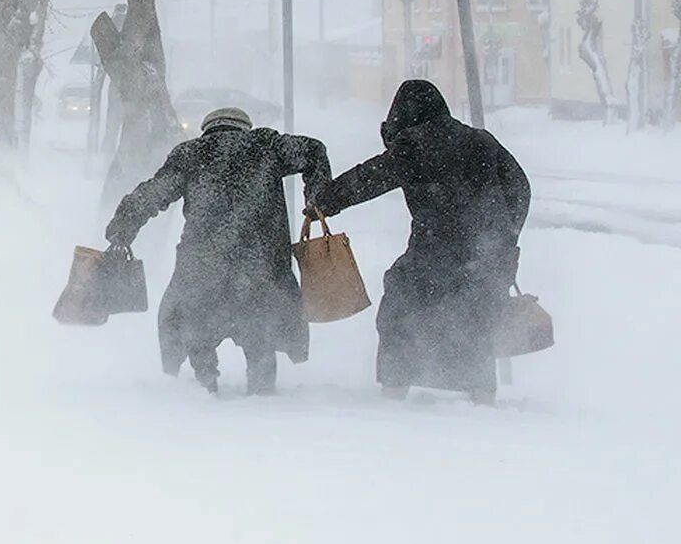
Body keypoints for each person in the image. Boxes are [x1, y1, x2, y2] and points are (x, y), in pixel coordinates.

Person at [311, 80, 530, 404]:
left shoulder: (415, 144)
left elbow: (369, 178)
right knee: (476, 320)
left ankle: (395, 391)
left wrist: (325, 201)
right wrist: (503, 235)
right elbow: (520, 187)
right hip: (485, 255)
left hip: (435, 249)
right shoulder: (480, 140)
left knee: (400, 308)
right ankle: (483, 399)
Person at [105, 107, 331, 396]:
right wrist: (317, 199)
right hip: (260, 267)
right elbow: (314, 149)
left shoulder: (191, 153)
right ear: (244, 128)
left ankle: (206, 390)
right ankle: (262, 399)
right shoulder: (267, 145)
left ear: (207, 129)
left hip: (203, 267)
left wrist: (122, 229)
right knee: (259, 338)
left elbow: (153, 193)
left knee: (197, 330)